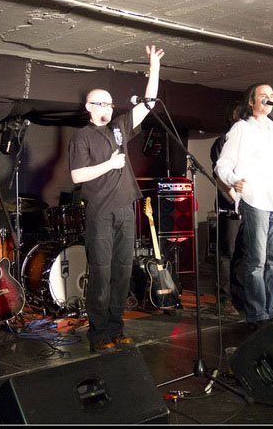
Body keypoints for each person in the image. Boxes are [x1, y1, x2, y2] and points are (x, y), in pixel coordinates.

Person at [68, 45, 164, 353]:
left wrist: (154, 68)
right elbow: (77, 176)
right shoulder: (82, 136)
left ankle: (115, 327)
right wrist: (109, 164)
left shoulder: (119, 127)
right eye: (102, 103)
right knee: (102, 272)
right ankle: (98, 334)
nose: (108, 108)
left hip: (125, 208)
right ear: (89, 107)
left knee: (123, 271)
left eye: (110, 103)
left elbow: (148, 104)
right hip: (100, 211)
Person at [215, 84, 273, 329]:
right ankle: (256, 313)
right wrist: (233, 180)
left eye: (271, 96)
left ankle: (270, 310)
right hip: (255, 199)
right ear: (251, 102)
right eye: (263, 96)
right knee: (257, 260)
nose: (268, 99)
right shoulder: (241, 128)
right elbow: (222, 164)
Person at [210, 101, 244, 316]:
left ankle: (241, 297)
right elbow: (220, 176)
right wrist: (235, 200)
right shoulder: (221, 142)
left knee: (245, 252)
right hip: (230, 205)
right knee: (227, 252)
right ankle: (224, 298)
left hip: (250, 204)